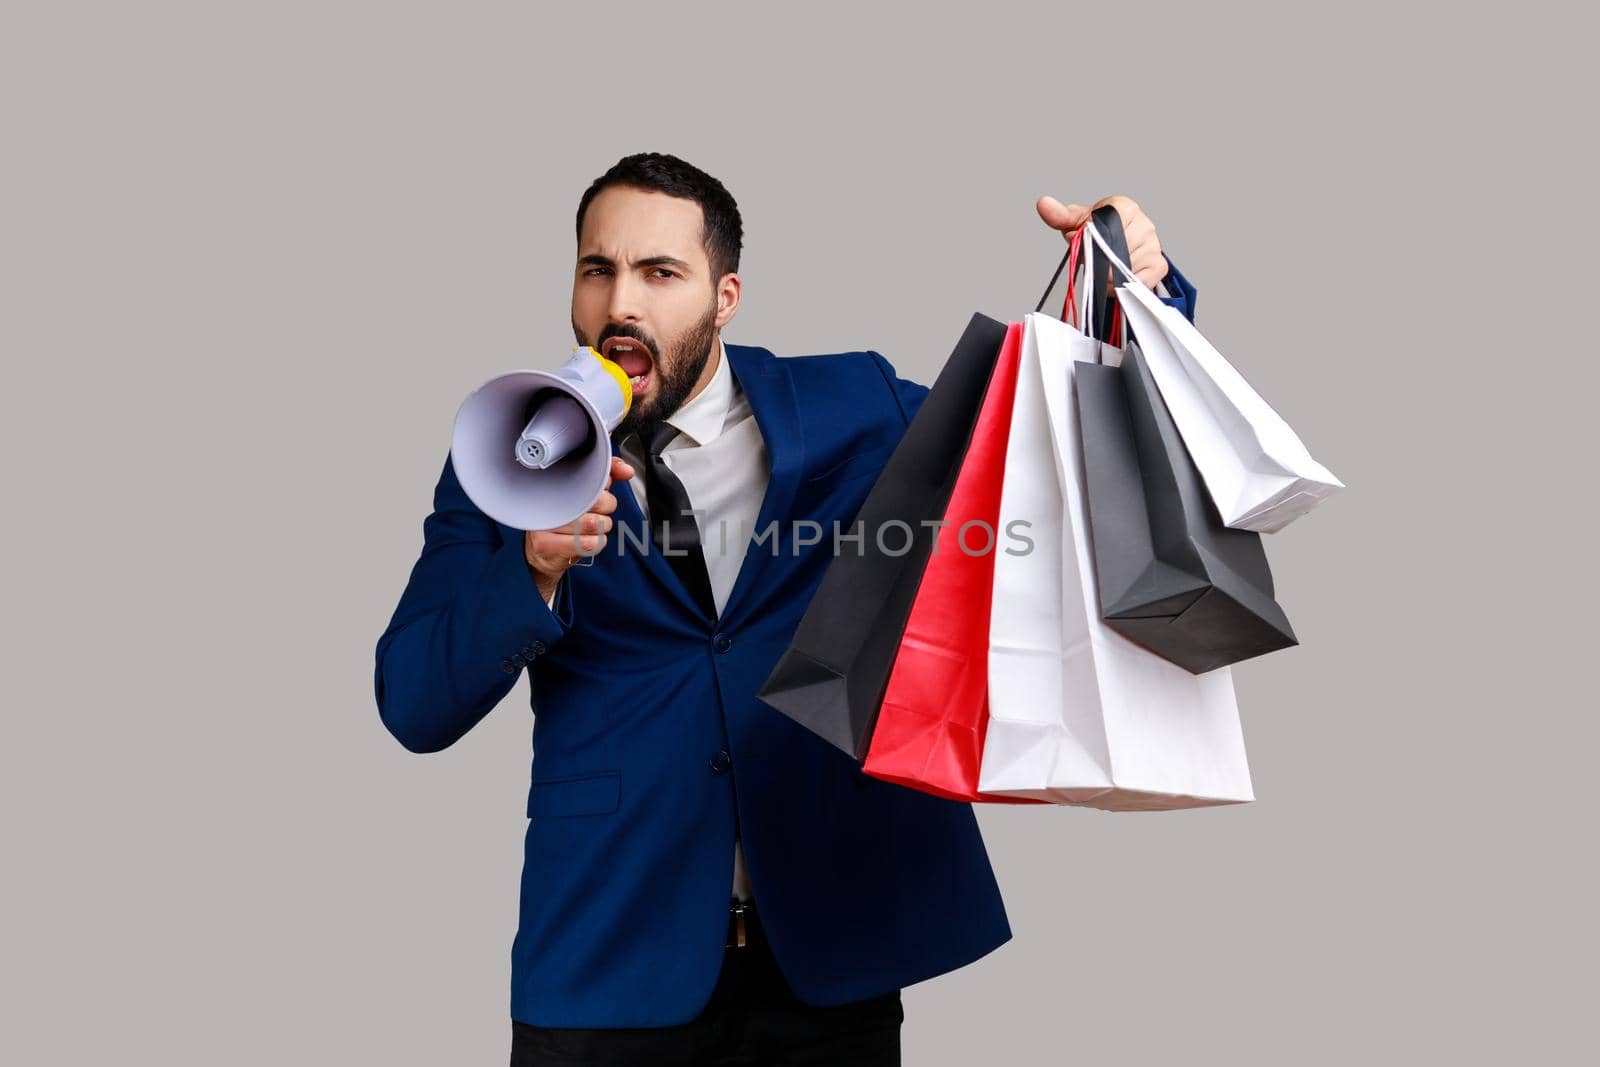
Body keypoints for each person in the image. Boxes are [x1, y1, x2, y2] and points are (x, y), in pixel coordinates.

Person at [373, 152, 1195, 1066]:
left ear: (725, 296)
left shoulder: (852, 406)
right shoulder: (505, 450)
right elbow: (412, 701)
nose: (621, 306)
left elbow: (1045, 442)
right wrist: (534, 572)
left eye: (660, 273)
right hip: (608, 961)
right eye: (598, 270)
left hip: (828, 957)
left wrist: (1133, 291)